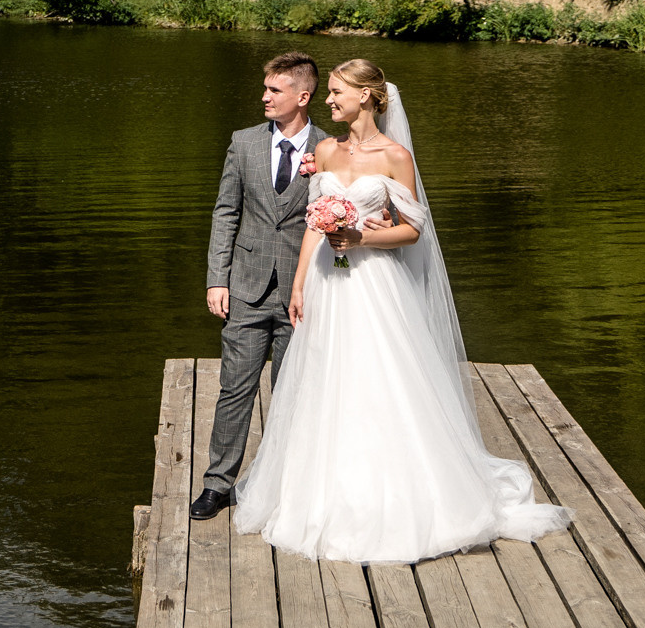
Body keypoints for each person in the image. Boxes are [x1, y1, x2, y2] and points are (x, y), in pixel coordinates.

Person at [232, 58, 571, 563]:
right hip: (327, 284)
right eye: (328, 92)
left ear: (366, 96)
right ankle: (319, 494)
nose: (329, 100)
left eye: (338, 92)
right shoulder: (325, 149)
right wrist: (299, 284)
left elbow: (413, 230)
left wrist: (360, 235)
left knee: (377, 380)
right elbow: (311, 225)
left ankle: (392, 496)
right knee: (325, 381)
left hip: (372, 286)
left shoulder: (395, 157)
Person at [191, 52, 330, 522]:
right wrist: (217, 278)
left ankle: (284, 485)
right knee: (235, 388)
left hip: (305, 293)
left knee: (293, 392)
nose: (264, 97)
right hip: (246, 288)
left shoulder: (329, 150)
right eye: (265, 88)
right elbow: (225, 212)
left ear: (302, 96)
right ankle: (217, 484)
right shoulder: (243, 142)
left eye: (275, 90)